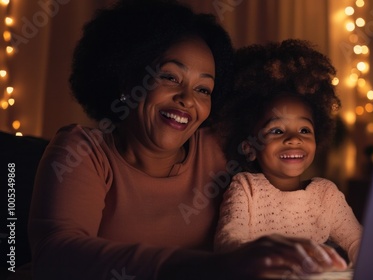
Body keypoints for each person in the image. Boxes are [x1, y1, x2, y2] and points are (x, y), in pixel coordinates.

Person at [27, 1, 348, 279]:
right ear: (128, 79)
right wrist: (210, 267)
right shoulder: (82, 151)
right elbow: (56, 256)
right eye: (169, 77)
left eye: (203, 89)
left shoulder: (221, 145)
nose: (187, 99)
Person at [214, 39, 363, 268]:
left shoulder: (326, 195)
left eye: (304, 129)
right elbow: (228, 241)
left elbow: (358, 243)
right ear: (249, 147)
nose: (294, 138)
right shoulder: (246, 188)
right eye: (276, 130)